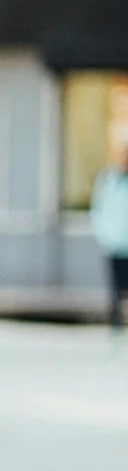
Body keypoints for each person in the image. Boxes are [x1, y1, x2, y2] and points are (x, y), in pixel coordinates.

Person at [94, 124, 128, 334]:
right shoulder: (108, 180)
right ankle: (115, 326)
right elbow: (99, 208)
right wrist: (104, 234)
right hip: (114, 242)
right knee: (115, 288)